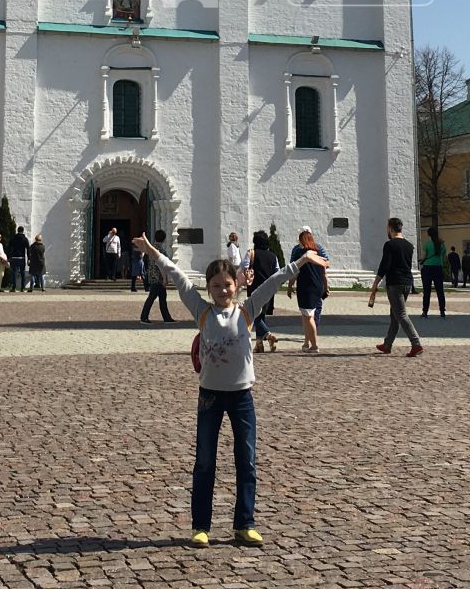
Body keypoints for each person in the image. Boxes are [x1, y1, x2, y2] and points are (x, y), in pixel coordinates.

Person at [132, 232, 326, 548]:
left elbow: (274, 282)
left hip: (241, 397)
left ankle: (244, 524)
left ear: (237, 285)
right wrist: (153, 251)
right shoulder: (202, 311)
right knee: (205, 461)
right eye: (216, 286)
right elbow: (177, 276)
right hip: (209, 395)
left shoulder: (247, 312)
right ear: (208, 290)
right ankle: (200, 526)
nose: (223, 290)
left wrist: (302, 260)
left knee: (246, 459)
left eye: (227, 285)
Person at [368, 217, 423, 357]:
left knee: (401, 314)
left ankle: (416, 343)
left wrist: (375, 285)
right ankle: (387, 344)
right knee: (395, 315)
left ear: (391, 229)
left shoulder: (390, 245)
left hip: (395, 283)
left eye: (387, 228)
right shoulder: (409, 246)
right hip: (407, 282)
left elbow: (384, 266)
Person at [290, 227, 329, 352]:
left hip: (306, 287)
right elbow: (324, 273)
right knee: (307, 315)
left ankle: (314, 345)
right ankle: (307, 343)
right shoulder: (318, 253)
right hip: (317, 286)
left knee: (308, 316)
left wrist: (290, 285)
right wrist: (326, 287)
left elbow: (294, 272)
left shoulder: (300, 253)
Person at [248, 231, 281, 352]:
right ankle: (259, 344)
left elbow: (245, 267)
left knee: (255, 315)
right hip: (269, 289)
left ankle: (268, 335)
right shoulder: (273, 256)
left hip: (254, 289)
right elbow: (277, 271)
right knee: (261, 316)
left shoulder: (251, 254)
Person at [141, 230, 175, 322]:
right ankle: (144, 317)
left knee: (162, 297)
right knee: (152, 297)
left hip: (152, 275)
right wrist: (164, 278)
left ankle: (166, 317)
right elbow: (161, 265)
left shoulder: (151, 248)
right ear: (164, 239)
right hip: (158, 278)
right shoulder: (161, 250)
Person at [419, 226, 447, 318]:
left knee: (427, 291)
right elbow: (443, 257)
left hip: (428, 268)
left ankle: (425, 311)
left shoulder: (427, 244)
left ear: (429, 234)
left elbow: (424, 256)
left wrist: (422, 261)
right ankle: (442, 311)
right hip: (438, 268)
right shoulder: (442, 245)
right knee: (440, 290)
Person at [7, 226, 30, 292]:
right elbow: (28, 249)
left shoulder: (13, 238)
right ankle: (22, 288)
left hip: (14, 257)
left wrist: (9, 257)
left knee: (14, 273)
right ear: (23, 231)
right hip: (21, 258)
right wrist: (29, 258)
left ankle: (13, 287)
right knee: (22, 273)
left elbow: (9, 248)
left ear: (17, 230)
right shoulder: (25, 239)